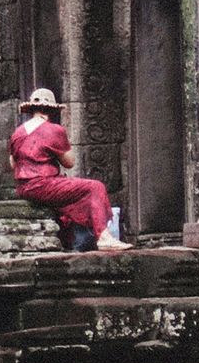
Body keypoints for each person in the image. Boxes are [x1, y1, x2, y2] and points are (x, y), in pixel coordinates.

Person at [8, 88, 129, 253]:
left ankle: (71, 242)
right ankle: (103, 236)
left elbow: (13, 164)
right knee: (95, 187)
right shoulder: (54, 130)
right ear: (51, 110)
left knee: (66, 197)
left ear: (32, 110)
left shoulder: (17, 132)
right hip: (42, 185)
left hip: (24, 188)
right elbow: (69, 162)